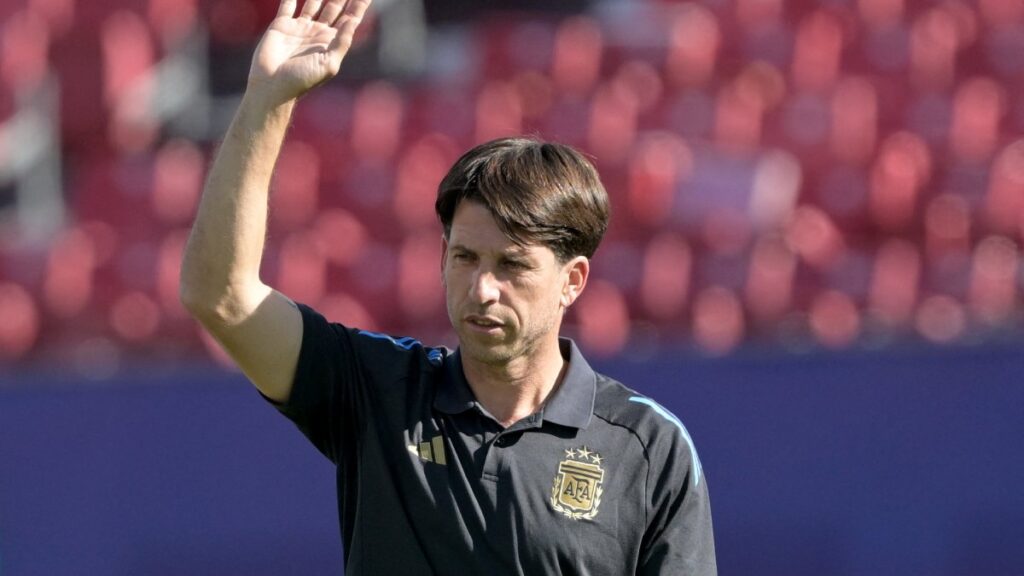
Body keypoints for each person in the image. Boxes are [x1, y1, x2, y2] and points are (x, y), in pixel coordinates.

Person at [180, 0, 716, 573]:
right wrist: (267, 99)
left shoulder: (647, 446)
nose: (482, 288)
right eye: (464, 257)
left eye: (512, 265)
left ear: (573, 280)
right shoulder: (377, 393)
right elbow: (222, 296)